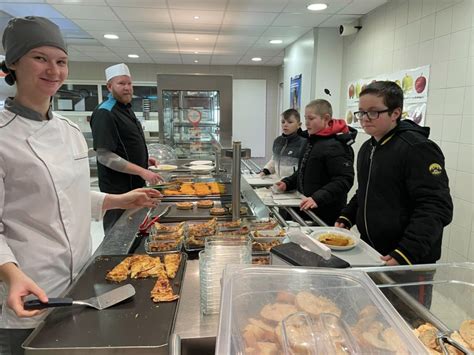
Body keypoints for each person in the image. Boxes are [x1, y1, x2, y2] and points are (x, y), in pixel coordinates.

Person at [0, 17, 161, 355]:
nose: (53, 70)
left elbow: (69, 196)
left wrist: (122, 199)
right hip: (29, 290)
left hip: (82, 285)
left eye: (61, 61)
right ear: (13, 62)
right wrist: (11, 274)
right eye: (39, 58)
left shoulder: (69, 132)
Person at [335, 81, 453, 266]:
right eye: (361, 112)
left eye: (373, 112)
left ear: (395, 113)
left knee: (402, 297)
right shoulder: (368, 147)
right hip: (372, 250)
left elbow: (435, 206)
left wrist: (406, 252)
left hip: (408, 258)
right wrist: (347, 216)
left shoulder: (417, 148)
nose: (365, 118)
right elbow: (366, 190)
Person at [90, 63, 162, 232]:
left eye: (129, 84)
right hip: (117, 189)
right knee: (118, 232)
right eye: (121, 84)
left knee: (134, 228)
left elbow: (126, 143)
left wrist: (144, 160)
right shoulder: (105, 112)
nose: (127, 88)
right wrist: (142, 171)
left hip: (133, 184)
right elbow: (105, 156)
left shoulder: (126, 108)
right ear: (109, 86)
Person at [275, 99, 356, 225]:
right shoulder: (311, 140)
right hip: (307, 208)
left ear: (326, 118)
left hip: (325, 214)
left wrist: (317, 198)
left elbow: (344, 179)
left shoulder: (336, 146)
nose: (307, 123)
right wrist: (288, 182)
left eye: (311, 119)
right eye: (305, 118)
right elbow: (305, 170)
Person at [259, 108, 306, 179]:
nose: (285, 125)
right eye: (283, 122)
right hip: (278, 182)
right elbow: (274, 160)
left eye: (290, 122)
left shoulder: (303, 143)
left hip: (293, 185)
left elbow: (303, 169)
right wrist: (265, 171)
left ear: (299, 125)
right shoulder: (277, 141)